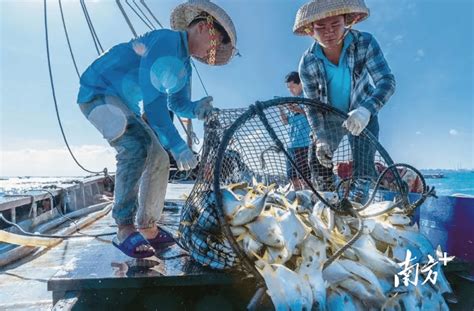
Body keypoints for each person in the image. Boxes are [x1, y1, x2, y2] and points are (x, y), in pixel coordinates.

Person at [76, 0, 237, 258]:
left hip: (124, 104)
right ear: (205, 27)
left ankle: (148, 227)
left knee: (160, 158)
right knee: (135, 145)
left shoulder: (184, 65)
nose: (213, 51)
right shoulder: (166, 41)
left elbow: (178, 103)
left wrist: (197, 108)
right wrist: (177, 144)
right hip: (98, 91)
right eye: (216, 42)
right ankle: (124, 228)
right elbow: (153, 103)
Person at [293, 0, 395, 195]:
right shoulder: (307, 62)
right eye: (320, 27)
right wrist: (321, 137)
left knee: (363, 169)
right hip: (328, 118)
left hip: (362, 111)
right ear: (310, 31)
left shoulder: (365, 42)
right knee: (317, 163)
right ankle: (328, 202)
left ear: (347, 21)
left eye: (335, 25)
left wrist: (366, 110)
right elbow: (312, 107)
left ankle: (360, 198)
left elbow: (386, 81)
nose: (328, 32)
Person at [278, 71, 311, 190]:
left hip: (304, 144)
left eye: (292, 87)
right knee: (292, 178)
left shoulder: (308, 98)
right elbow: (285, 122)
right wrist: (281, 108)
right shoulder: (291, 101)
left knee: (304, 178)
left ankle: (308, 200)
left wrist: (298, 110)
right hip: (290, 146)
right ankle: (298, 200)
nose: (290, 90)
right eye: (288, 88)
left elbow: (314, 115)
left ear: (301, 84)